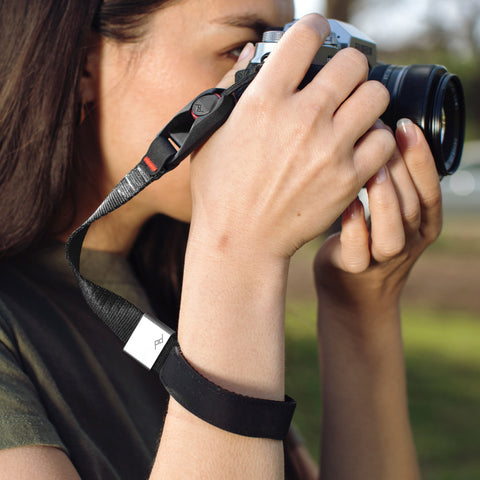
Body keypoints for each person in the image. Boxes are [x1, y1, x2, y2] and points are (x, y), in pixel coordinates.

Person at [0, 0, 442, 478]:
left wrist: (359, 313)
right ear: (85, 62)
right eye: (242, 51)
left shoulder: (185, 299)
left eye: (283, 53)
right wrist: (239, 253)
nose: (284, 91)